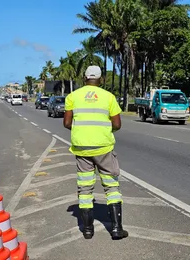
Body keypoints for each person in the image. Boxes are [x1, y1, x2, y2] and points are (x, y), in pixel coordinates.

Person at [63, 65, 128, 240]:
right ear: (101, 80)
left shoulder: (73, 96)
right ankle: (116, 229)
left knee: (85, 188)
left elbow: (67, 123)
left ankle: (87, 230)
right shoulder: (109, 97)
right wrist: (104, 131)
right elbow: (117, 124)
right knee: (111, 187)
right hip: (104, 148)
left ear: (85, 78)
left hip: (82, 148)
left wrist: (83, 131)